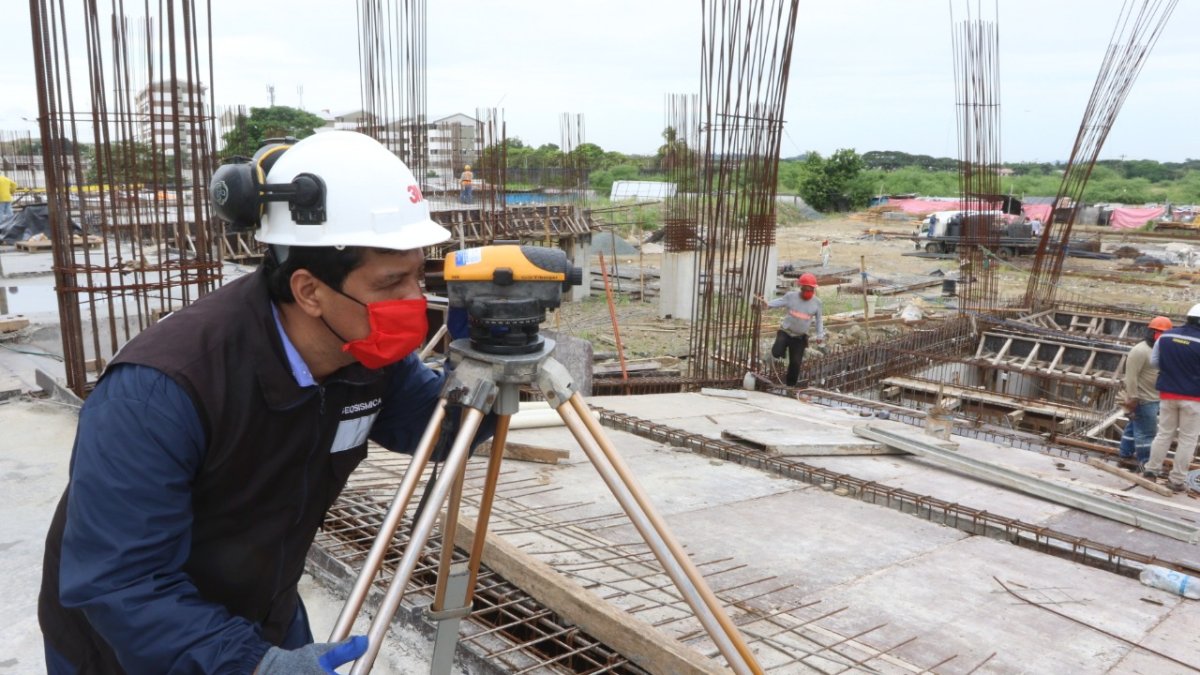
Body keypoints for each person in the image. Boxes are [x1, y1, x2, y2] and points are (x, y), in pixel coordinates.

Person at [39, 131, 490, 673]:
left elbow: (431, 429)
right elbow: (120, 581)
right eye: (392, 282)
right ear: (309, 290)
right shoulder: (162, 390)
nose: (415, 301)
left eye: (419, 275)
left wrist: (488, 363)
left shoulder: (367, 355)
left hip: (264, 606)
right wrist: (254, 666)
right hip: (127, 645)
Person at [1142, 302, 1200, 493]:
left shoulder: (1166, 336)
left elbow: (1155, 362)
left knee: (1164, 433)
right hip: (1194, 398)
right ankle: (1176, 480)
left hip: (1167, 394)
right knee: (1187, 440)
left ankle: (1151, 470)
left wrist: (1173, 374)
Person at [1117, 316, 1172, 470]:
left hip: (1154, 397)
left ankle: (1125, 452)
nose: (1160, 336)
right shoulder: (1140, 350)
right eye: (1158, 332)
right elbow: (1131, 376)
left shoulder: (1159, 350)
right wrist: (1133, 397)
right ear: (1151, 331)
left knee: (1134, 426)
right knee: (1147, 433)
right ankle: (1145, 461)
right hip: (1143, 399)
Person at [761, 272, 825, 387]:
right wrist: (767, 304)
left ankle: (790, 386)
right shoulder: (791, 296)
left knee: (795, 363)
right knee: (776, 352)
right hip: (785, 332)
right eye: (805, 289)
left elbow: (819, 320)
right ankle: (783, 351)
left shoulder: (817, 303)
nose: (807, 291)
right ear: (801, 287)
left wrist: (820, 335)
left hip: (799, 337)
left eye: (810, 289)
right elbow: (779, 302)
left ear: (813, 289)